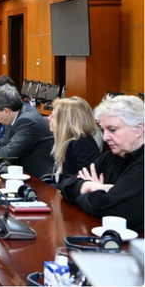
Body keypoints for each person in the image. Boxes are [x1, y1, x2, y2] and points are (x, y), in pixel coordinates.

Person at [60, 96, 144, 234]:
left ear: (139, 129)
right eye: (104, 130)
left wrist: (85, 194)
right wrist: (93, 187)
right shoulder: (111, 156)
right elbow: (67, 184)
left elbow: (109, 208)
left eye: (112, 129)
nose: (105, 137)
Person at [49, 97, 102, 184]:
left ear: (65, 122)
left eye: (53, 117)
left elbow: (80, 185)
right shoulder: (69, 141)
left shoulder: (82, 145)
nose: (49, 118)